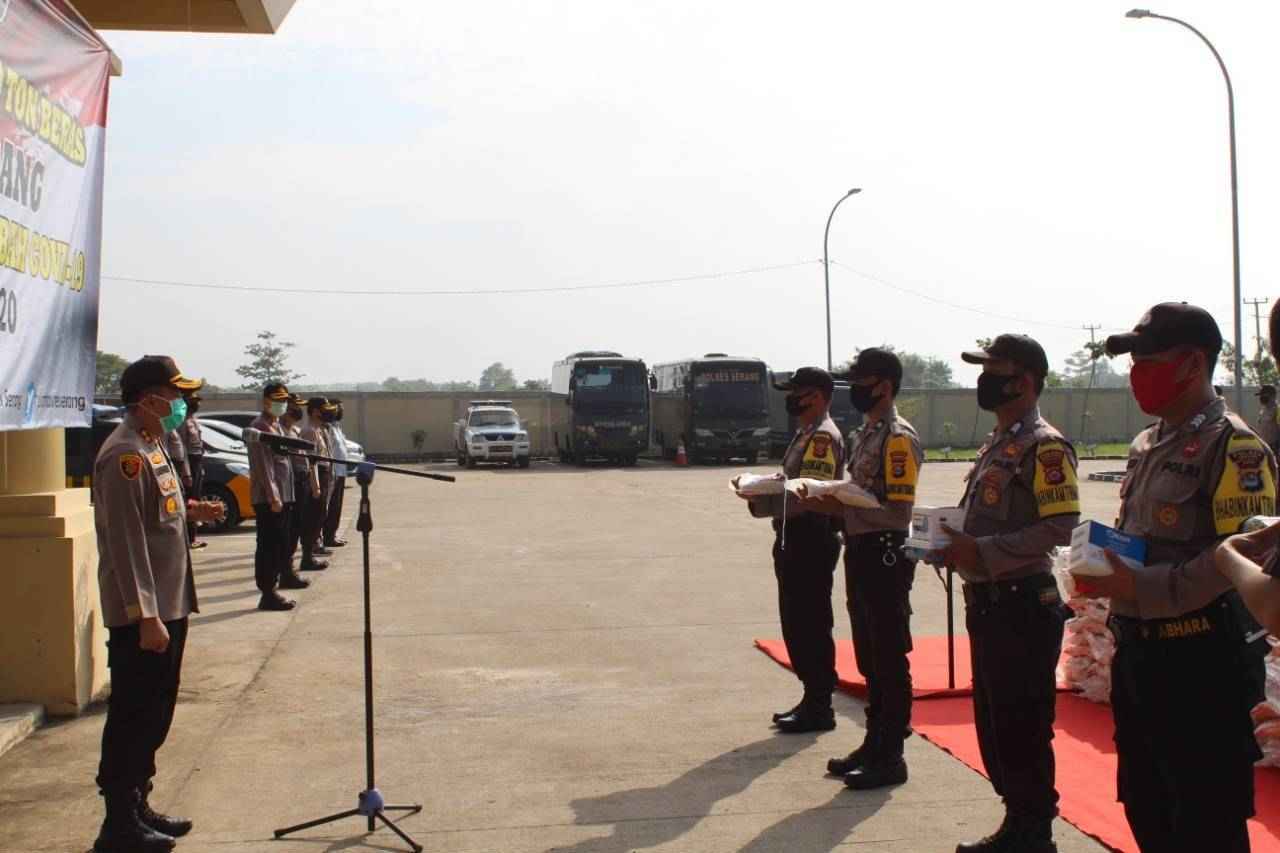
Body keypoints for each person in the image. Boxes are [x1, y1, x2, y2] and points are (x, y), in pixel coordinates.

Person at [1075, 303, 1275, 853]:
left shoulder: (1234, 448)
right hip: (1140, 656)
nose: (1137, 372)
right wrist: (1104, 565)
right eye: (1134, 361)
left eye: (1149, 360)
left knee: (1206, 822)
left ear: (1192, 363)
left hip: (1202, 662)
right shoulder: (1147, 443)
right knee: (1146, 806)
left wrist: (1139, 586)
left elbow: (1241, 561)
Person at [939, 334, 1078, 853]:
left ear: (1023, 381)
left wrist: (984, 551)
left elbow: (1061, 526)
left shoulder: (1045, 446)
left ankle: (1033, 831)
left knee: (1022, 724)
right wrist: (949, 546)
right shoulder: (997, 444)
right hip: (989, 602)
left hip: (1023, 602)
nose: (984, 380)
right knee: (996, 725)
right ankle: (1018, 821)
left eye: (994, 371)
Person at [92, 355, 224, 853]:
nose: (180, 404)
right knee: (133, 714)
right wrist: (146, 615)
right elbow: (126, 543)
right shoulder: (124, 455)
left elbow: (154, 512)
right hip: (144, 615)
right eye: (173, 396)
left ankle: (139, 802)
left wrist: (192, 511)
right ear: (147, 399)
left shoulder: (152, 443)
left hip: (169, 604)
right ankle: (118, 825)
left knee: (156, 711)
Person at [805, 348, 922, 790]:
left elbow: (897, 511)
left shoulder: (897, 438)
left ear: (884, 386)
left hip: (885, 553)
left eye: (860, 383)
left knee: (888, 656)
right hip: (861, 550)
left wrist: (844, 505)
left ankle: (891, 754)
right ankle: (874, 742)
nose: (853, 390)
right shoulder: (867, 433)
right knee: (869, 655)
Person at [742, 367, 845, 733]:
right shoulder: (806, 433)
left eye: (796, 392)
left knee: (811, 623)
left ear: (816, 396)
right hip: (795, 536)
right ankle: (811, 697)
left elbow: (809, 494)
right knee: (796, 622)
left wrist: (763, 500)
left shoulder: (822, 437)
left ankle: (820, 704)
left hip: (810, 537)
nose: (790, 399)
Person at [248, 383, 309, 611]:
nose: (282, 404)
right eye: (277, 400)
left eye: (284, 400)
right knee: (269, 545)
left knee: (282, 542)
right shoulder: (260, 427)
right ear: (265, 401)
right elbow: (263, 465)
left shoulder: (277, 426)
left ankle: (280, 580)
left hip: (284, 494)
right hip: (269, 499)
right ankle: (267, 592)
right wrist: (273, 497)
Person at [283, 395, 326, 572]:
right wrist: (315, 484)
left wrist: (313, 483)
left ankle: (305, 558)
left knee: (307, 523)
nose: (297, 409)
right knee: (294, 528)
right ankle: (288, 569)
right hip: (294, 482)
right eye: (293, 406)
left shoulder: (295, 430)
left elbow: (309, 461)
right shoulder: (281, 431)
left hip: (303, 479)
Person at [301, 397, 334, 560]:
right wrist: (316, 486)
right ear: (315, 411)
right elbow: (311, 461)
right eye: (324, 410)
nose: (328, 413)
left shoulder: (318, 429)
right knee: (314, 516)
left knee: (320, 514)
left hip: (324, 473)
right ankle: (309, 553)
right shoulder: (309, 431)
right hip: (317, 475)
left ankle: (313, 548)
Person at [177, 392, 206, 549]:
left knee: (196, 499)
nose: (197, 404)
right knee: (189, 501)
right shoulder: (182, 421)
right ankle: (188, 538)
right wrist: (186, 471)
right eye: (193, 401)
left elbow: (199, 444)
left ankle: (193, 536)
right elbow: (182, 448)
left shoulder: (193, 420)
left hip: (197, 461)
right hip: (190, 461)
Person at [322, 399, 349, 548]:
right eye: (338, 408)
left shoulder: (337, 427)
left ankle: (332, 534)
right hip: (332, 472)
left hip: (341, 471)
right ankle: (327, 536)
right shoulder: (327, 428)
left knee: (337, 506)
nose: (340, 411)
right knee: (330, 506)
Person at [1256, 384, 1279, 453]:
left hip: (1275, 448)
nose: (1261, 397)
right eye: (1260, 395)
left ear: (1273, 396)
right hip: (1264, 446)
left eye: (1264, 395)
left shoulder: (1277, 410)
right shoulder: (1263, 410)